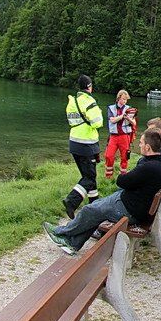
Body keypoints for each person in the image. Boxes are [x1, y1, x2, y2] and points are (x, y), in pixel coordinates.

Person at [44, 128, 161, 254]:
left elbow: (121, 181)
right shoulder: (158, 164)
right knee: (95, 207)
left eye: (141, 143)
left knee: (89, 210)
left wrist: (125, 175)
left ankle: (60, 232)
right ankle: (72, 243)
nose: (139, 145)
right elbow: (132, 182)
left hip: (130, 211)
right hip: (133, 205)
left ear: (147, 147)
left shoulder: (149, 167)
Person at [63, 75, 104, 219]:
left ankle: (94, 204)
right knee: (90, 178)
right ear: (89, 86)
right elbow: (98, 122)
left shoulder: (72, 101)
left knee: (88, 176)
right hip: (87, 143)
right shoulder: (89, 101)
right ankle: (71, 201)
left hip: (74, 142)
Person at [104, 90, 137, 178]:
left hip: (125, 136)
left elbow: (134, 123)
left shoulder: (129, 108)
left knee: (125, 156)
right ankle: (108, 175)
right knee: (109, 155)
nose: (125, 101)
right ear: (118, 98)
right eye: (123, 99)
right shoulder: (111, 108)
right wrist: (122, 116)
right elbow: (112, 120)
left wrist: (128, 118)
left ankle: (123, 175)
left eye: (126, 100)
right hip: (114, 136)